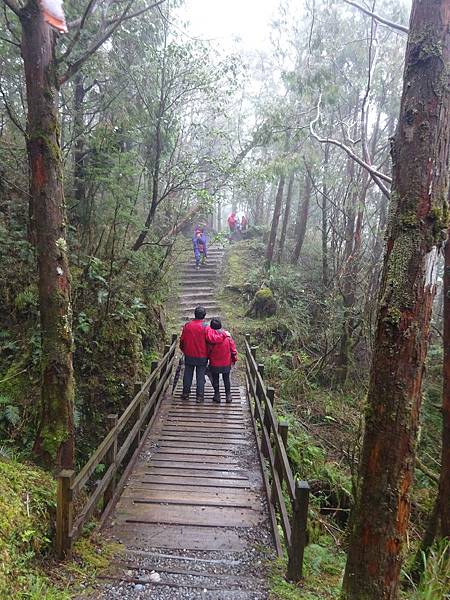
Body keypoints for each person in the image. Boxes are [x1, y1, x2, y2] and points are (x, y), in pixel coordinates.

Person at [180, 306, 208, 402]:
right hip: (202, 355)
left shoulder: (187, 325)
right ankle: (199, 396)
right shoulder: (206, 327)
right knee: (200, 376)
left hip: (189, 354)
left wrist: (183, 349)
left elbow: (182, 340)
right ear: (204, 316)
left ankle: (185, 393)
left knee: (188, 374)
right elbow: (209, 341)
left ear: (195, 314)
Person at [206, 318, 238, 403]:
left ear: (211, 327)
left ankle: (217, 395)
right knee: (226, 379)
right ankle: (228, 396)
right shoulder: (227, 337)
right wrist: (234, 359)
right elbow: (233, 349)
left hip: (214, 362)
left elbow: (208, 351)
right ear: (221, 326)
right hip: (226, 362)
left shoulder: (210, 338)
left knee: (215, 378)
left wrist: (208, 358)